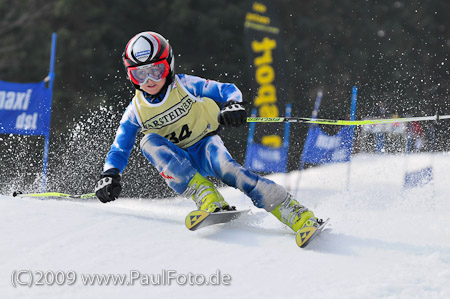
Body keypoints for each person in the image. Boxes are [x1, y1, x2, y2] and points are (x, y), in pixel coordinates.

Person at [95, 31, 320, 239]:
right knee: (147, 142)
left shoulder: (183, 85)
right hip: (177, 161)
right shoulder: (135, 110)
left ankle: (296, 214)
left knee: (234, 173)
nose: (149, 80)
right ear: (130, 76)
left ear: (169, 65)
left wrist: (233, 105)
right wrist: (110, 174)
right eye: (139, 74)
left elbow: (226, 89)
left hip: (206, 146)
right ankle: (206, 196)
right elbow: (119, 148)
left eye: (156, 70)